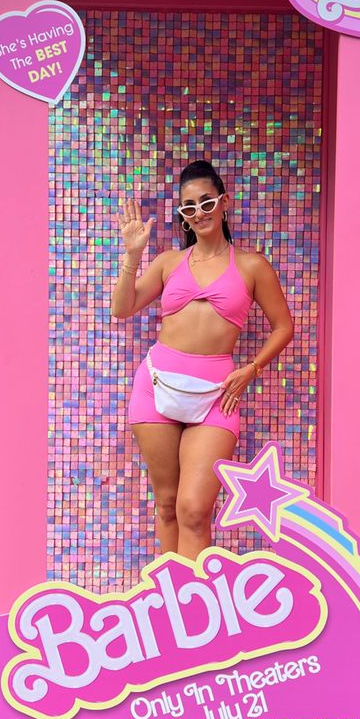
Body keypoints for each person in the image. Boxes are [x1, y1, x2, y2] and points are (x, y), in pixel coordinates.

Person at [111, 159, 294, 560]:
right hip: (156, 386)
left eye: (206, 202)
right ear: (182, 215)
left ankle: (194, 612)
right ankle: (170, 604)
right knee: (167, 502)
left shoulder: (251, 266)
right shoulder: (168, 262)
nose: (199, 213)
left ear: (224, 202)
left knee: (194, 510)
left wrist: (252, 368)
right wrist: (133, 255)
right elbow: (122, 309)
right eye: (189, 207)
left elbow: (283, 327)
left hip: (216, 396)